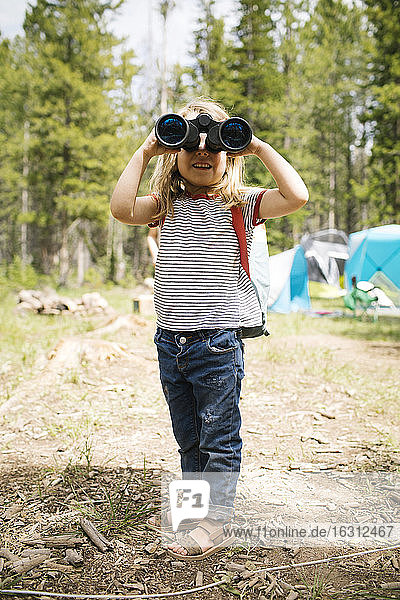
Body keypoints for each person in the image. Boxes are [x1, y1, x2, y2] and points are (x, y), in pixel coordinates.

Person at [110, 98, 309, 559]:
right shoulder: (166, 204)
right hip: (170, 343)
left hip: (216, 345)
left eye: (216, 147)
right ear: (174, 152)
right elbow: (122, 208)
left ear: (230, 154)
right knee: (188, 436)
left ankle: (216, 523)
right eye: (192, 146)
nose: (204, 153)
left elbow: (297, 196)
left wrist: (257, 147)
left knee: (218, 433)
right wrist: (143, 152)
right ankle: (194, 510)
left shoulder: (243, 204)